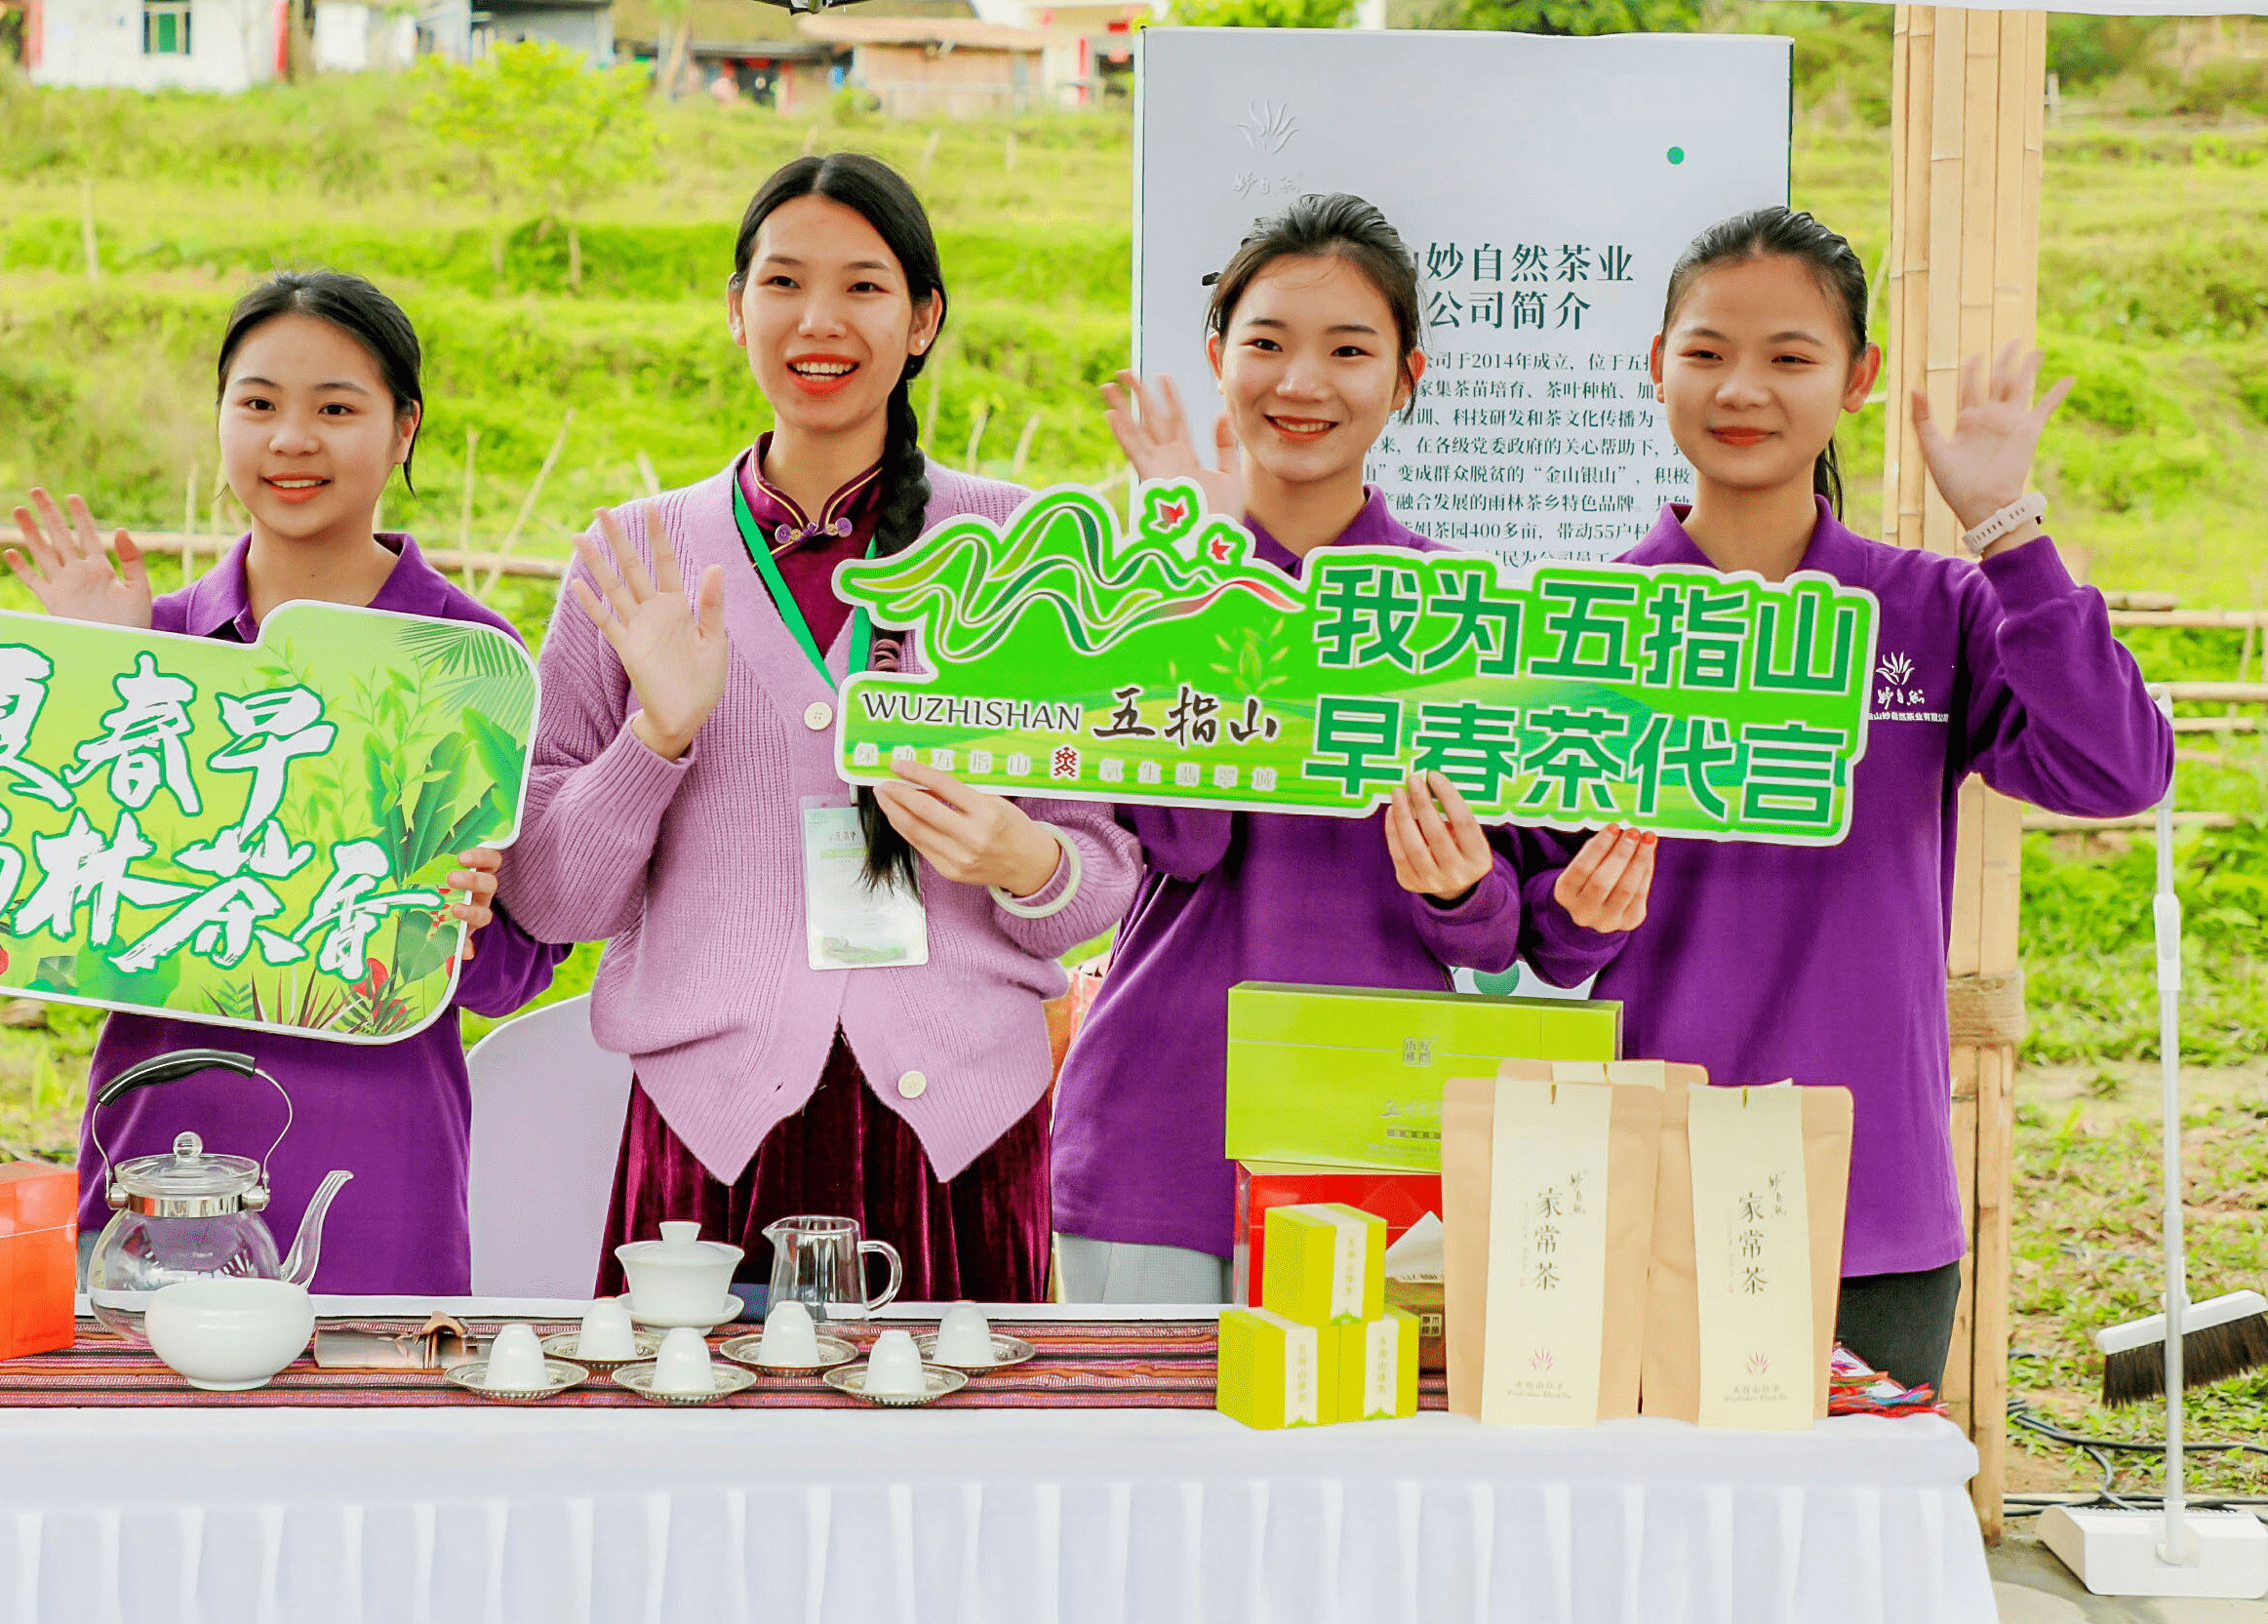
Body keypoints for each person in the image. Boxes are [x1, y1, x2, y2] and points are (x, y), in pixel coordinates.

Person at [1518, 206, 2170, 1390]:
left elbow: (2115, 770)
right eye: (1706, 352)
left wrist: (2008, 535)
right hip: (1648, 1183)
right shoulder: (1587, 622)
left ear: (1856, 378)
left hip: (1874, 1201)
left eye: (1789, 356)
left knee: (1838, 1558)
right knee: (1661, 1552)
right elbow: (1542, 935)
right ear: (1653, 364)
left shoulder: (1930, 607)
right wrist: (1577, 912)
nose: (1741, 389)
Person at [500, 152, 1138, 1304]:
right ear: (735, 307)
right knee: (699, 1478)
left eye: (863, 286)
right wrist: (654, 740)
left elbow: (1102, 884)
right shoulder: (634, 555)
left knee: (953, 1481)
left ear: (923, 319)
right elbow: (550, 899)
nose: (818, 320)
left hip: (957, 1136)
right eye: (783, 283)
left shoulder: (1029, 545)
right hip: (710, 1139)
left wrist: (1018, 857)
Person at [1052, 194, 1655, 1303]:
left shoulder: (1463, 616)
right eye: (1267, 342)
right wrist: (1198, 576)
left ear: (1404, 373)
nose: (1301, 382)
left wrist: (1470, 889)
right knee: (1140, 1471)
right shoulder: (1142, 586)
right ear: (1215, 355)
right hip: (1157, 1122)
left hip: (1373, 1134)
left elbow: (1518, 944)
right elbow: (1179, 841)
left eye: (1347, 349)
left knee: (1354, 1471)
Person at [8, 269, 530, 1296]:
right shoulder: (148, 641)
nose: (291, 439)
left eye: (335, 407)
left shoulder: (469, 658)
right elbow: (44, 927)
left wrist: (464, 923)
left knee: (372, 1440)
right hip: (163, 1144)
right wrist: (93, 678)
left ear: (403, 428)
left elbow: (513, 970)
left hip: (381, 1154)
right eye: (256, 405)